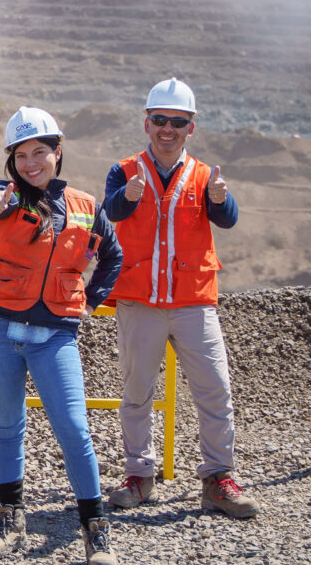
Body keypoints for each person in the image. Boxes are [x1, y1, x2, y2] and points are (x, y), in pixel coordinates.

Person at [0, 106, 123, 565]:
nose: (31, 162)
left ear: (58, 153)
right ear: (11, 161)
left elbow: (113, 255)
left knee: (74, 429)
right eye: (21, 154)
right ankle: (9, 523)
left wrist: (91, 302)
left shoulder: (84, 205)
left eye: (40, 151)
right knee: (8, 427)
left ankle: (95, 533)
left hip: (54, 334)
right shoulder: (8, 195)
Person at [104, 78, 259, 518]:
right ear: (146, 122)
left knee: (215, 390)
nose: (167, 128)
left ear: (191, 127)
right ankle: (139, 476)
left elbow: (225, 220)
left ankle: (218, 478)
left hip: (193, 300)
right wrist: (126, 197)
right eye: (160, 120)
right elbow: (111, 211)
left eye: (178, 121)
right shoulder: (124, 169)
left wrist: (221, 201)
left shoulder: (207, 174)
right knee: (137, 391)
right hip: (141, 300)